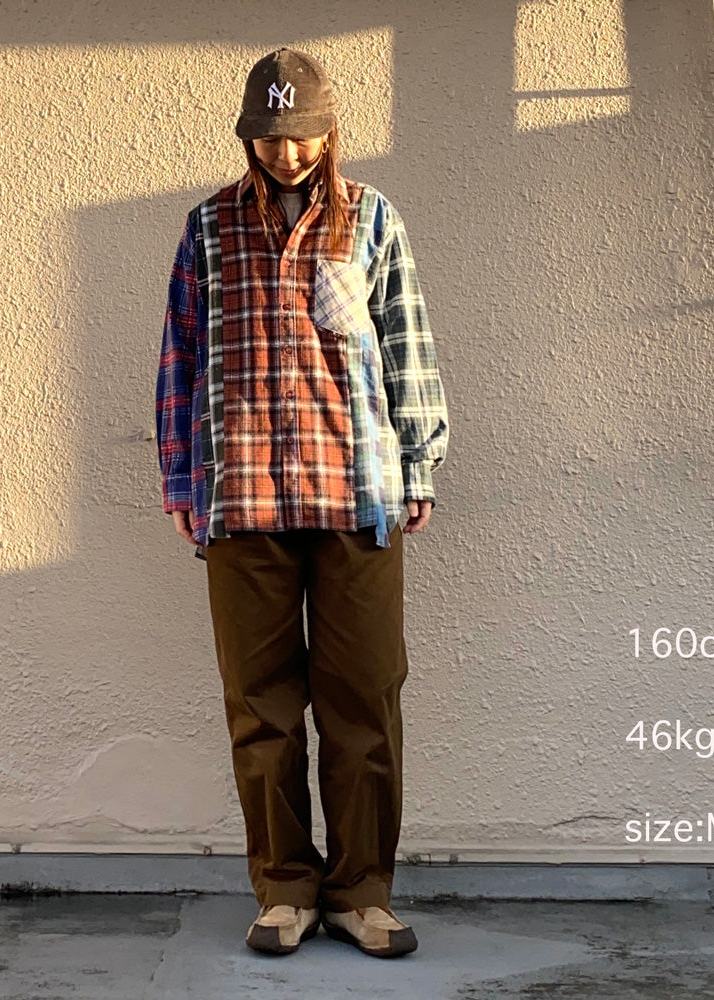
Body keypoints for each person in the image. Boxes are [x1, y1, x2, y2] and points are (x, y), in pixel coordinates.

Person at [156, 46, 448, 958]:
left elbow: (406, 342)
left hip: (357, 492)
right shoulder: (210, 229)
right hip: (242, 497)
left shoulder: (372, 218)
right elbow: (181, 355)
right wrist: (181, 478)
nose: (286, 153)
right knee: (262, 707)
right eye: (269, 137)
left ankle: (362, 892)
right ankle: (284, 888)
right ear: (248, 136)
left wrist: (419, 463)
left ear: (328, 131)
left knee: (364, 700)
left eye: (301, 135)